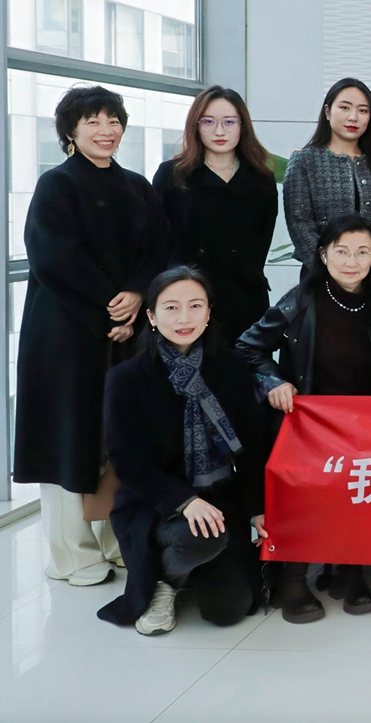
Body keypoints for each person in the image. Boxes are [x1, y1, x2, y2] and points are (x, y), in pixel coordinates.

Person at [14, 85, 168, 587]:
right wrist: (110, 308)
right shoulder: (56, 184)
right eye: (93, 121)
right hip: (66, 334)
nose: (106, 131)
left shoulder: (138, 186)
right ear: (71, 131)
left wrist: (138, 293)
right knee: (68, 436)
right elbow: (54, 257)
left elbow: (159, 248)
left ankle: (115, 539)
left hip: (126, 330)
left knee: (117, 434)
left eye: (114, 121)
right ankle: (70, 553)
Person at [236, 215, 371, 621]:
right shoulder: (301, 300)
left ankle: (349, 571)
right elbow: (247, 348)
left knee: (361, 487)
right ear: (324, 254)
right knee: (304, 490)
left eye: (363, 252)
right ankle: (292, 578)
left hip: (365, 426)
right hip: (308, 424)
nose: (352, 261)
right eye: (342, 251)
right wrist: (274, 381)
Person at [98, 267, 270, 635]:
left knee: (229, 610)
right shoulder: (127, 378)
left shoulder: (231, 366)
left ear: (208, 313)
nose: (184, 318)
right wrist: (185, 501)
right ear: (151, 316)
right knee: (201, 537)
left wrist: (258, 507)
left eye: (195, 306)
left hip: (221, 498)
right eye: (171, 308)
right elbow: (127, 461)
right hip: (155, 505)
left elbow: (251, 447)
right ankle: (166, 581)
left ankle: (196, 567)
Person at [153, 86, 279, 344]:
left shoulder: (261, 179)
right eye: (208, 122)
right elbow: (157, 241)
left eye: (229, 122)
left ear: (242, 126)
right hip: (188, 300)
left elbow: (261, 242)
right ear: (196, 126)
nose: (219, 131)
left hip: (244, 297)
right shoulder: (172, 174)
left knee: (243, 366)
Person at [283, 78, 371, 283]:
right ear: (328, 112)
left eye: (363, 110)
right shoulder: (305, 161)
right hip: (320, 277)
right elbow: (300, 224)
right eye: (345, 108)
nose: (353, 117)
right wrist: (326, 267)